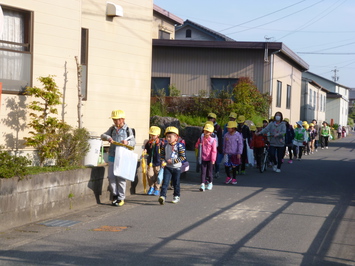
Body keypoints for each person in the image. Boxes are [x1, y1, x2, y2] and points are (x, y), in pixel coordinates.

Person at [101, 109, 136, 207]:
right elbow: (102, 135)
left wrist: (127, 142)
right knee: (111, 177)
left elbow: (133, 142)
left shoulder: (128, 130)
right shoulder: (112, 129)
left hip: (122, 157)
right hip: (112, 155)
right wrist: (108, 138)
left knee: (120, 178)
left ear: (122, 119)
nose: (115, 122)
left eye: (117, 120)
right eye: (114, 120)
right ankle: (115, 195)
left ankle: (121, 198)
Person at [159, 126, 186, 205]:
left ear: (176, 137)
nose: (168, 138)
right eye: (167, 136)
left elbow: (183, 157)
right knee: (165, 182)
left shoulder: (179, 146)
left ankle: (176, 196)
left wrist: (173, 161)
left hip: (176, 168)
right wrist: (163, 161)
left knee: (176, 183)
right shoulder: (165, 146)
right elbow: (162, 155)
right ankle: (162, 196)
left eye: (170, 136)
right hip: (167, 167)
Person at [195, 123, 217, 191]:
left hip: (210, 159)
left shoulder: (213, 140)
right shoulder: (201, 138)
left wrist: (213, 159)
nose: (206, 133)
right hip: (203, 158)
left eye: (208, 131)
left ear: (211, 132)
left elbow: (214, 151)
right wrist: (199, 145)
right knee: (203, 172)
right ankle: (202, 184)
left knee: (209, 172)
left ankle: (210, 183)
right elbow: (196, 145)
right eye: (205, 131)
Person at [144, 126, 163, 196]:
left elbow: (163, 152)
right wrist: (145, 150)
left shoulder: (161, 143)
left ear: (158, 135)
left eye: (154, 135)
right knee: (149, 174)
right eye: (151, 134)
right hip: (151, 162)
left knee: (158, 175)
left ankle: (157, 188)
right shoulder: (149, 142)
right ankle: (151, 187)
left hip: (158, 162)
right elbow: (146, 148)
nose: (152, 136)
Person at [207, 113, 223, 179]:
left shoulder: (218, 127)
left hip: (215, 146)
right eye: (209, 118)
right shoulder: (206, 126)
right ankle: (209, 173)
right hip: (207, 146)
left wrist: (220, 147)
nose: (210, 120)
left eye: (212, 118)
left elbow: (220, 138)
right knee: (208, 160)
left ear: (214, 119)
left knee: (216, 160)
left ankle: (217, 171)